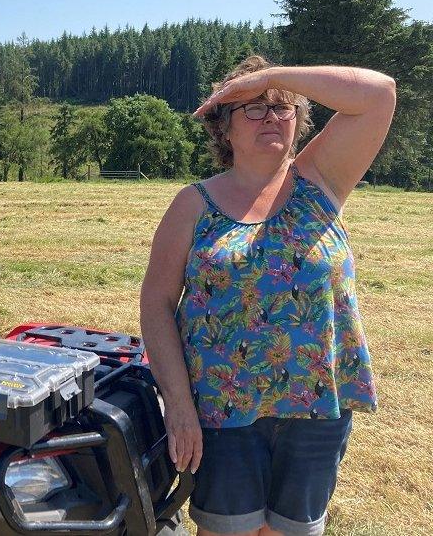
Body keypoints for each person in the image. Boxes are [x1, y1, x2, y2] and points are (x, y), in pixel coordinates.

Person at [140, 56, 395, 536]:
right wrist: (178, 405)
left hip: (315, 408)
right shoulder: (193, 204)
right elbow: (156, 304)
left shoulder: (321, 181)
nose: (271, 116)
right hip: (221, 407)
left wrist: (272, 78)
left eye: (282, 108)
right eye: (252, 108)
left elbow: (379, 92)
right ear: (225, 128)